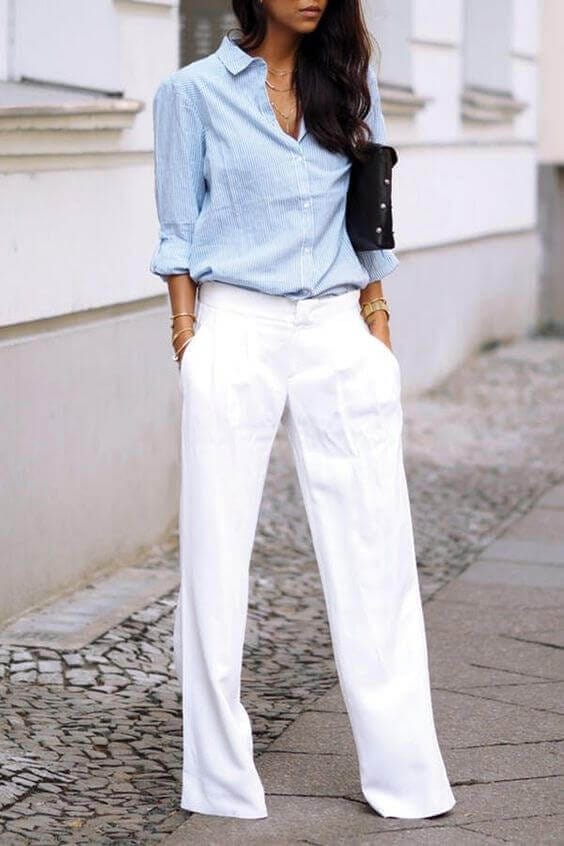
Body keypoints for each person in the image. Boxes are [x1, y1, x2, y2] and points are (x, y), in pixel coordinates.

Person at [149, 0, 456, 822]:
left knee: (375, 550)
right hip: (235, 323)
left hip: (337, 326)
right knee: (214, 557)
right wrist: (188, 335)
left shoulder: (349, 83)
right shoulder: (191, 93)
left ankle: (407, 777)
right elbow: (177, 229)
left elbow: (372, 215)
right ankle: (218, 780)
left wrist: (378, 327)